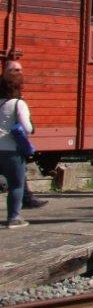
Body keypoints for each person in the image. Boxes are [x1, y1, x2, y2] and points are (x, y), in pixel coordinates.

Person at [0, 60, 46, 210]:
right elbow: (26, 125)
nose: (17, 72)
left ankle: (26, 198)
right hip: (10, 145)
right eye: (13, 69)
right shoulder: (13, 95)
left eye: (19, 69)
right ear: (5, 71)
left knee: (17, 176)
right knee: (16, 180)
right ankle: (15, 215)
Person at [0, 59, 34, 228]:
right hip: (12, 151)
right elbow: (27, 128)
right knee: (16, 185)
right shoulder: (19, 104)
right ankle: (14, 218)